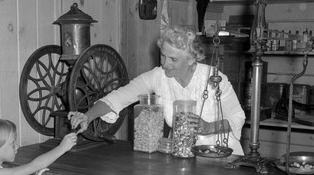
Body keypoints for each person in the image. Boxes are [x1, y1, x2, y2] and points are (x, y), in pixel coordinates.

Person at [68, 25, 245, 155]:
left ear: (191, 60)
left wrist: (207, 127)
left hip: (222, 157)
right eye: (163, 56)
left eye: (173, 60)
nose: (165, 63)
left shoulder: (214, 78)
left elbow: (237, 117)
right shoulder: (158, 76)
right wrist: (87, 116)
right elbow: (121, 96)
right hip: (184, 156)